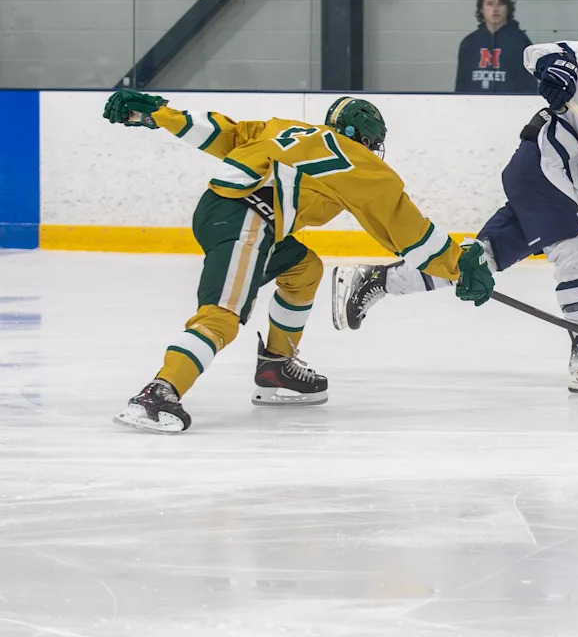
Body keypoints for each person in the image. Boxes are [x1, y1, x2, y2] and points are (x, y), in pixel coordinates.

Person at [333, 39, 578, 394]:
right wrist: (556, 71)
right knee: (576, 254)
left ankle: (377, 281)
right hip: (544, 162)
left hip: (564, 197)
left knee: (477, 263)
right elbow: (540, 53)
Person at [102, 91, 495, 433]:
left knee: (304, 269)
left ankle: (276, 367)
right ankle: (157, 394)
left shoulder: (284, 129)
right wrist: (459, 266)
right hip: (248, 221)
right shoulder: (362, 164)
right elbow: (409, 230)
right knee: (222, 314)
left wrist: (156, 115)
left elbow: (225, 133)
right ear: (365, 137)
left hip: (219, 210)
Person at [455, 0, 538, 94]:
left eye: (501, 4)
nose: (495, 9)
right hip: (474, 106)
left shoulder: (520, 41)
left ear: (508, 8)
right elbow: (461, 85)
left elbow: (530, 86)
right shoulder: (469, 42)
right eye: (489, 4)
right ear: (481, 8)